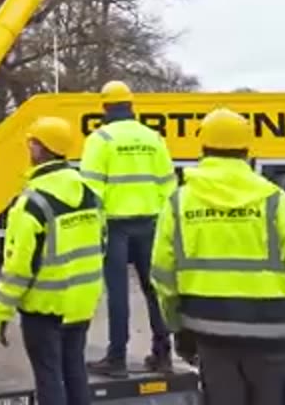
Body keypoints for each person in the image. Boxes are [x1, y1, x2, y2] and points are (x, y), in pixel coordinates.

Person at [150, 108, 285, 405]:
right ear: (247, 150)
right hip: (276, 339)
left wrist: (177, 327)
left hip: (209, 336)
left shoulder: (178, 204)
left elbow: (163, 276)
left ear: (202, 148)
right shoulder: (277, 203)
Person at [0, 116, 104, 405]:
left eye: (32, 143)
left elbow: (18, 268)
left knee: (48, 377)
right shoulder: (91, 195)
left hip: (44, 307)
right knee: (75, 370)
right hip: (81, 303)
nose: (29, 148)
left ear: (41, 149)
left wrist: (1, 312)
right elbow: (100, 243)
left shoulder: (31, 203)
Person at [80, 80, 176, 377]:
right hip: (151, 224)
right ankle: (163, 354)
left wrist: (92, 231)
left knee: (118, 293)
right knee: (154, 290)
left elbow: (91, 191)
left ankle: (117, 358)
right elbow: (168, 185)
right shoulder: (153, 138)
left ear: (105, 106)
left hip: (114, 227)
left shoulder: (101, 139)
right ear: (131, 105)